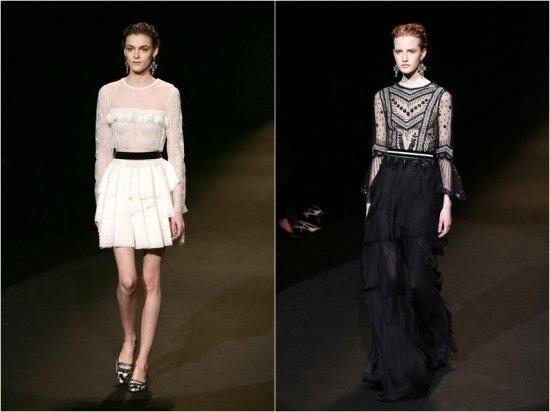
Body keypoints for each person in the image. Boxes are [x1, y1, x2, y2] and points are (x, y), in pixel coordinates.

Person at [360, 23, 466, 402]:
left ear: (423, 53)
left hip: (422, 189)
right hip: (387, 187)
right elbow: (379, 148)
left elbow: (444, 151)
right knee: (388, 280)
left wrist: (447, 200)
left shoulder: (441, 97)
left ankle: (434, 336)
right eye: (398, 51)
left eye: (410, 50)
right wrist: (370, 199)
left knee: (419, 278)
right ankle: (400, 367)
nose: (404, 57)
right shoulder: (382, 96)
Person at [94, 22, 187, 393]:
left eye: (143, 48)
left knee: (151, 281)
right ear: (124, 50)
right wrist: (100, 201)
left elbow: (176, 151)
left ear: (155, 51)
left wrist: (178, 206)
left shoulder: (168, 93)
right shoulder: (108, 93)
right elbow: (102, 151)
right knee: (128, 281)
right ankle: (129, 339)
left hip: (154, 185)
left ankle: (143, 360)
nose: (136, 55)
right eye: (130, 48)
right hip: (119, 184)